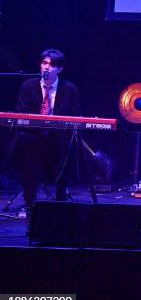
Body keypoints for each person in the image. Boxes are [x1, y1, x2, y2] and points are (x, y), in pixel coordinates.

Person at [12, 49, 81, 208]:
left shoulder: (69, 89)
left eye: (52, 64)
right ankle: (30, 203)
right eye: (44, 63)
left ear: (60, 69)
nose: (47, 67)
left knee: (67, 147)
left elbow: (76, 116)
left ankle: (61, 199)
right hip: (33, 134)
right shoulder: (28, 86)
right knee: (29, 145)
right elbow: (21, 114)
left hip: (58, 136)